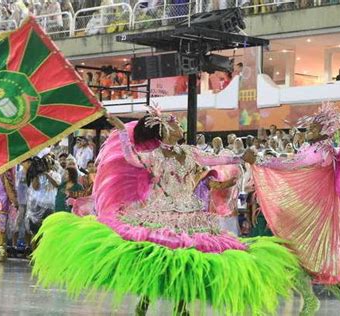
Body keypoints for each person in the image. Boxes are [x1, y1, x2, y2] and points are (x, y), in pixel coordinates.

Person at [32, 107, 302, 316]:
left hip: (191, 216)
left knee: (187, 260)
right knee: (158, 257)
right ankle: (144, 303)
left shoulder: (191, 152)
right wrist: (122, 132)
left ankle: (182, 307)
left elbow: (218, 158)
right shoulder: (156, 156)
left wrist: (241, 158)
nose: (179, 126)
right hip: (160, 213)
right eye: (174, 123)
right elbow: (130, 158)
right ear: (164, 131)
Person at [251, 102, 340, 315]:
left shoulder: (319, 150)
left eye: (312, 128)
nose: (308, 131)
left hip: (319, 218)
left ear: (322, 130)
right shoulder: (320, 148)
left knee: (314, 263)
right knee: (303, 262)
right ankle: (325, 302)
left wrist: (259, 160)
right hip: (313, 214)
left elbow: (292, 164)